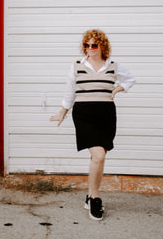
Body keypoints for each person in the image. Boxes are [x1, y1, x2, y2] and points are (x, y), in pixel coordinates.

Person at [50, 29, 135, 221]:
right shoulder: (76, 66)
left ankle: (90, 196)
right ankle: (95, 198)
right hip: (84, 115)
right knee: (97, 154)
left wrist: (118, 89)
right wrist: (62, 113)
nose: (89, 49)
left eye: (93, 45)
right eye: (86, 45)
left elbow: (130, 80)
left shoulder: (113, 66)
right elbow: (69, 92)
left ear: (102, 46)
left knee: (100, 156)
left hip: (106, 115)